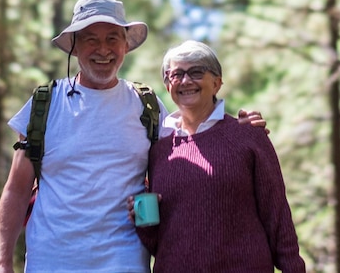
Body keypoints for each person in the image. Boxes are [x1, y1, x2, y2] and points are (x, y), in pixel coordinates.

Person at [0, 0, 267, 273]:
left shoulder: (146, 105)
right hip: (51, 262)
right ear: (74, 47)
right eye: (91, 39)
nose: (103, 50)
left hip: (125, 262)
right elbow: (16, 190)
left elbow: (196, 138)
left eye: (113, 38)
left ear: (126, 45)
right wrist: (1, 262)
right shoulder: (45, 105)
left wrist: (237, 127)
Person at [127, 40, 306, 273]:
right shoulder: (160, 150)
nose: (186, 80)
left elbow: (278, 218)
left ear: (217, 82)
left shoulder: (248, 136)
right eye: (176, 74)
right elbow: (163, 241)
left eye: (197, 72)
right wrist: (143, 222)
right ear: (167, 84)